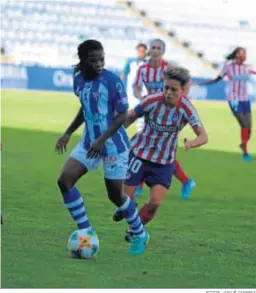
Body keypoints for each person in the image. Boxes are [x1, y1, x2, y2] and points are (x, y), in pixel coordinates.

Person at [55, 40, 148, 255]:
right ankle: (85, 231)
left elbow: (123, 115)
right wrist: (68, 132)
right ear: (83, 60)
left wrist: (102, 140)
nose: (98, 64)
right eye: (93, 60)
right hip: (89, 143)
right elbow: (85, 107)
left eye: (101, 59)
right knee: (65, 180)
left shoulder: (112, 81)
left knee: (115, 196)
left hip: (114, 145)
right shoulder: (78, 80)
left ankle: (139, 231)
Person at [113, 66, 208, 241]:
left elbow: (203, 136)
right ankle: (128, 207)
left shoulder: (186, 108)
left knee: (155, 202)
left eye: (174, 89)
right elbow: (131, 116)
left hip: (164, 162)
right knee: (124, 198)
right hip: (140, 155)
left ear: (183, 90)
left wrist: (191, 143)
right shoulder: (152, 100)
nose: (168, 93)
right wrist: (114, 135)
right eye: (166, 88)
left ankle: (134, 229)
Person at [133, 38, 196, 198]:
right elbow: (136, 87)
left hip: (169, 114)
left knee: (159, 150)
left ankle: (139, 184)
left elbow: (187, 80)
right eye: (152, 47)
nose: (155, 50)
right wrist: (140, 96)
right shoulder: (143, 69)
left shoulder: (169, 67)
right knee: (146, 145)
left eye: (158, 48)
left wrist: (181, 100)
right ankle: (185, 182)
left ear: (163, 51)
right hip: (149, 111)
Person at [198, 47, 256, 162]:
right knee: (244, 124)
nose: (244, 55)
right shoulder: (228, 67)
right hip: (234, 99)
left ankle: (243, 143)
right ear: (236, 55)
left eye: (245, 53)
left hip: (245, 99)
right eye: (241, 53)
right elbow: (217, 79)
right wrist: (202, 83)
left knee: (249, 127)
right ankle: (244, 150)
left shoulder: (247, 68)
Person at [121, 43, 148, 109]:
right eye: (139, 51)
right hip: (131, 91)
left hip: (143, 91)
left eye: (143, 51)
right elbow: (123, 75)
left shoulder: (149, 63)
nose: (141, 53)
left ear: (145, 52)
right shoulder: (131, 62)